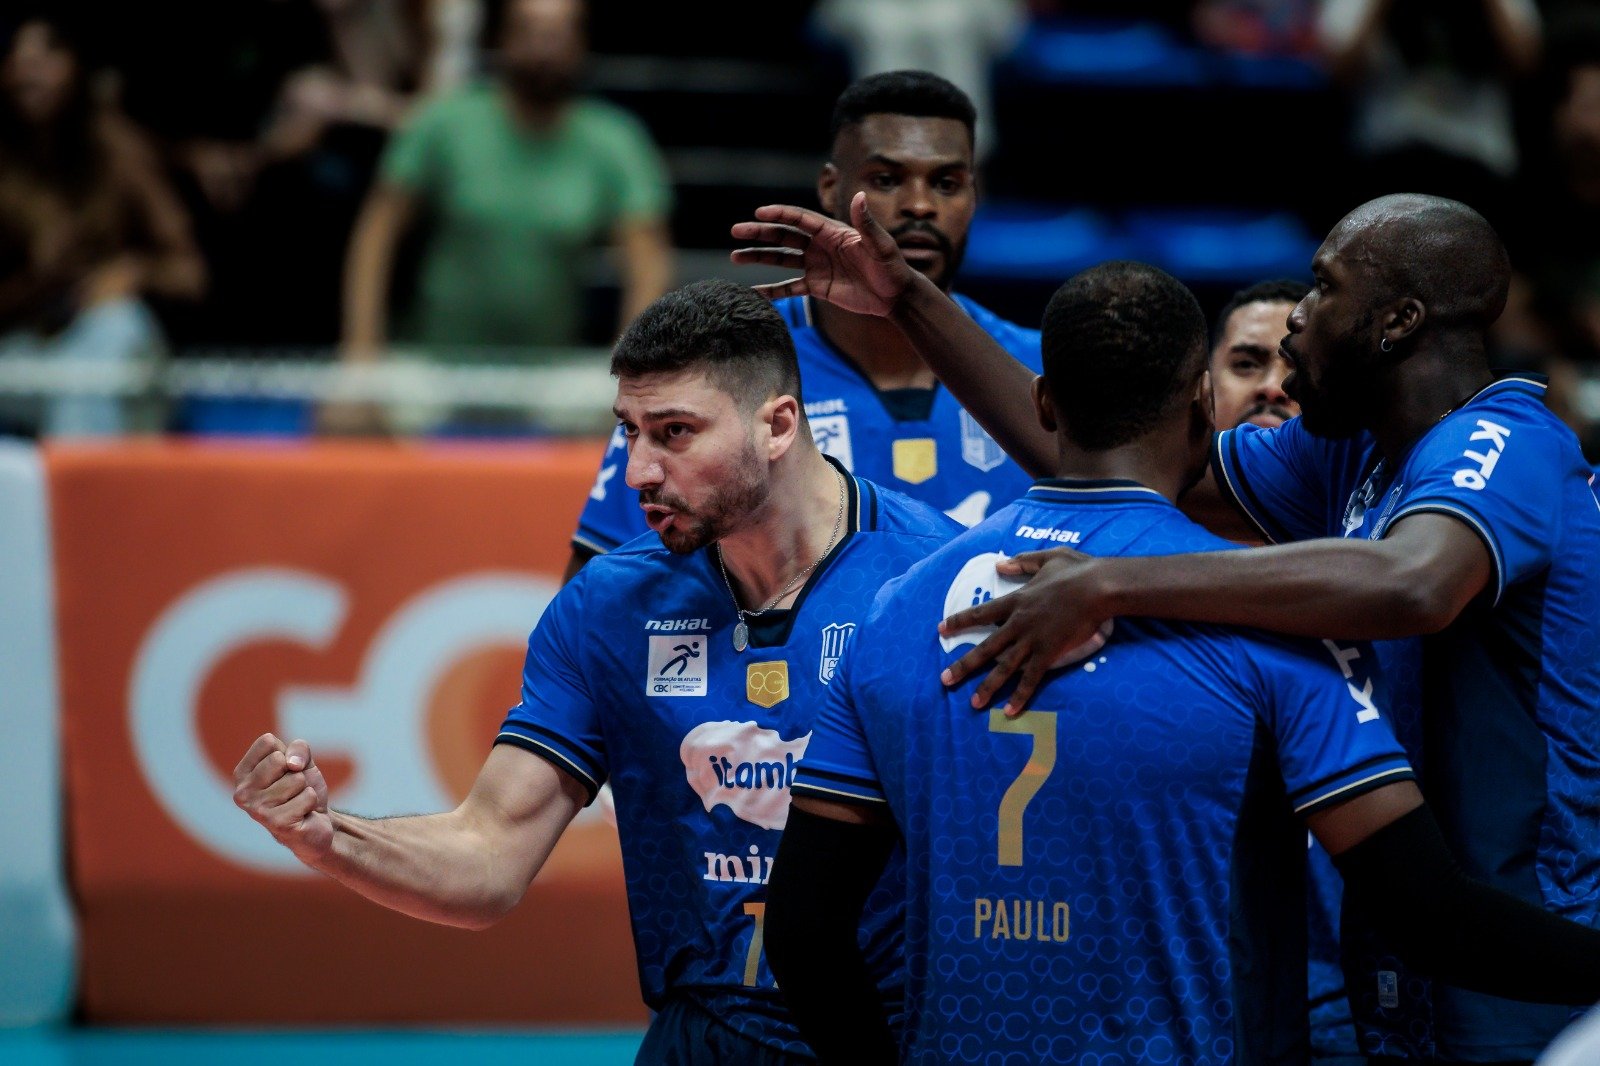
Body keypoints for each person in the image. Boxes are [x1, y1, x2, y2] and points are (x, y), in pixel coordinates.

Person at [733, 192, 1600, 1062]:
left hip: (1543, 923)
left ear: (1398, 321)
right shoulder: (1350, 458)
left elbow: (1416, 584)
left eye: (1325, 287)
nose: (1298, 313)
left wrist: (1111, 584)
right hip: (1427, 937)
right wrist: (911, 301)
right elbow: (1108, 455)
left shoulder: (1509, 438)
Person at [233, 279, 961, 1063]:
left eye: (674, 432)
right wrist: (324, 837)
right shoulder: (608, 607)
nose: (638, 470)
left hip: (897, 1039)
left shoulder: (930, 583)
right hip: (703, 1037)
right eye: (630, 432)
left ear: (778, 425)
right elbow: (489, 854)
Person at [567, 70, 1041, 578]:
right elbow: (593, 600)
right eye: (886, 180)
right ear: (830, 187)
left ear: (975, 195)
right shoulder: (717, 368)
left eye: (946, 184)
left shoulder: (1039, 371)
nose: (920, 205)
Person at [339, 0, 672, 371]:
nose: (545, 46)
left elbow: (649, 264)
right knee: (342, 417)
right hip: (431, 367)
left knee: (634, 419)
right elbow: (377, 233)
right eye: (529, 29)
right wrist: (361, 350)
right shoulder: (443, 123)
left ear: (582, 42)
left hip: (550, 376)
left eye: (560, 32)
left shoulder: (614, 141)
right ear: (502, 38)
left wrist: (632, 369)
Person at [0, 12, 205, 436]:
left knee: (114, 330)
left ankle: (82, 498)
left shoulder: (115, 147)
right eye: (19, 56)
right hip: (18, 349)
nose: (31, 69)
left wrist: (133, 273)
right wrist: (35, 286)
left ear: (77, 64)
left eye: (49, 53)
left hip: (99, 345)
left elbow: (190, 273)